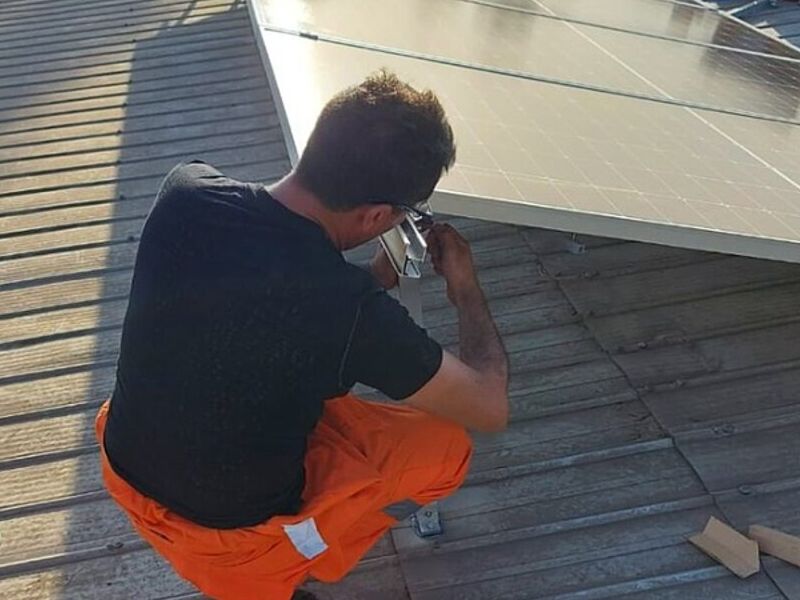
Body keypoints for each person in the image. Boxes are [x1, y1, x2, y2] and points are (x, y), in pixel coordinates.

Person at [96, 70, 509, 600]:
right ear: (377, 216)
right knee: (448, 450)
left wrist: (375, 277)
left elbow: (271, 290)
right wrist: (465, 288)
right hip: (234, 539)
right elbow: (489, 406)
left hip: (126, 468)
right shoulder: (349, 313)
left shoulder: (186, 191)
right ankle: (289, 567)